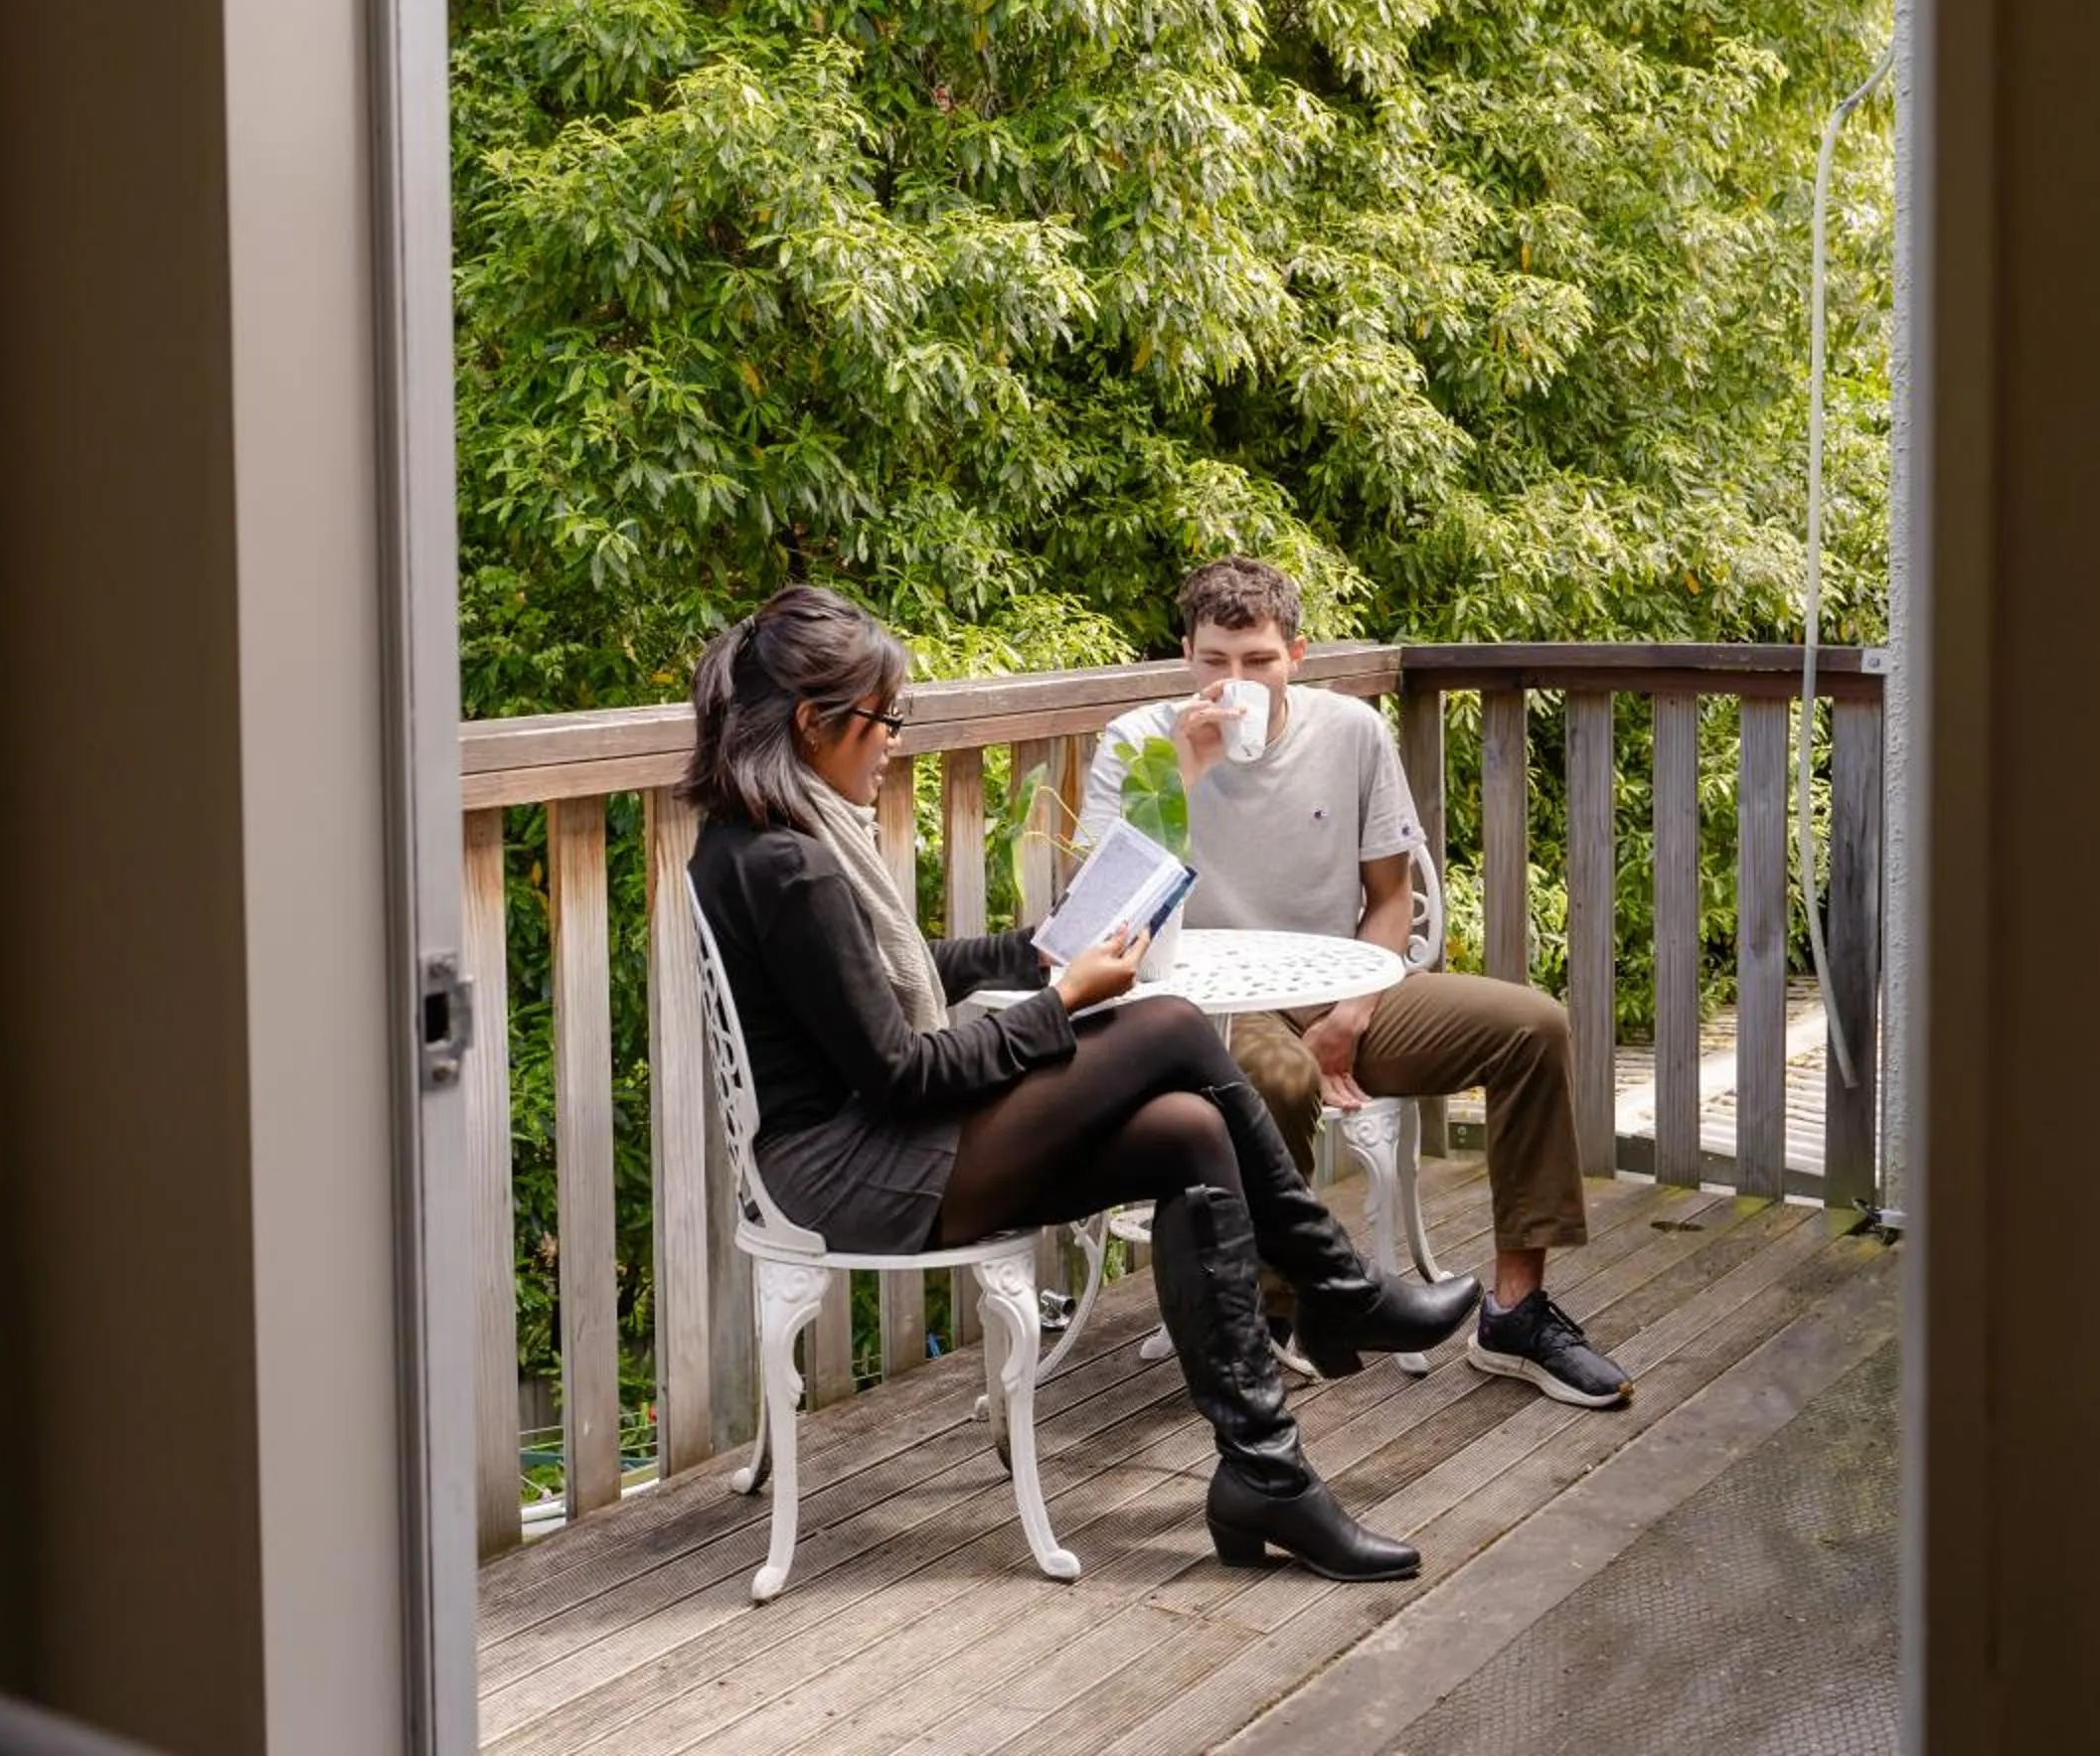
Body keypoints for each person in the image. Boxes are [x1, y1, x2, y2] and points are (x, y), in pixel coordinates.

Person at [682, 584, 1479, 1579]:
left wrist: (1039, 949)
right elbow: (899, 1069)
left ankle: (1264, 1474)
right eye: (884, 719)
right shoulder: (789, 861)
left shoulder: (758, 832)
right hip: (855, 1168)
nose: (893, 742)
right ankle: (1339, 1285)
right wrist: (1063, 1000)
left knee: (1191, 1126)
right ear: (812, 721)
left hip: (872, 1145)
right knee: (1176, 1024)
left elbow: (887, 980)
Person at [1079, 558, 1635, 1408]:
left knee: (1533, 1026)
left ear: (1296, 655)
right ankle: (1263, 1320)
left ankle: (1515, 1315)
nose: (1235, 683)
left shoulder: (1352, 733)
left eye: (1258, 661)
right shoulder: (1135, 745)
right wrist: (1182, 776)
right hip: (1203, 1002)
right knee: (1275, 1073)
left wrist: (1354, 1009)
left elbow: (1390, 900)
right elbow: (1104, 914)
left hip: (1345, 979)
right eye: (1214, 661)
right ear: (1184, 654)